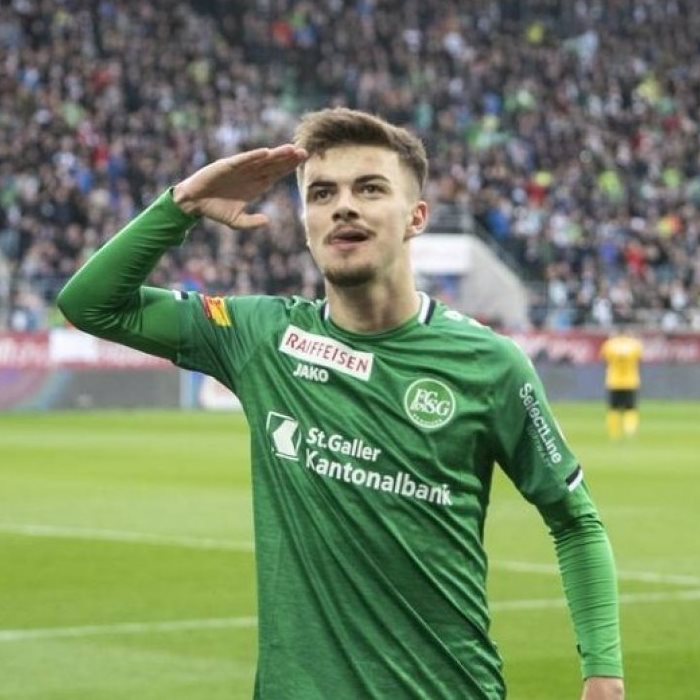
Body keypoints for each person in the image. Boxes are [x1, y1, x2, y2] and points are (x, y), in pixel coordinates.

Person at [58, 108, 624, 699]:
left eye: (370, 189)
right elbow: (90, 304)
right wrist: (182, 204)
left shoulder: (490, 364)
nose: (343, 207)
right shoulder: (262, 337)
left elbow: (574, 521)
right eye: (322, 194)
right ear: (306, 223)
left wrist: (603, 673)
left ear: (416, 217)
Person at [600, 330, 644, 440]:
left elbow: (604, 359)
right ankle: (630, 431)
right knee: (630, 408)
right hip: (630, 381)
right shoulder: (635, 345)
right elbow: (640, 360)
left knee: (613, 409)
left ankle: (614, 433)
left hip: (614, 381)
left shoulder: (610, 344)